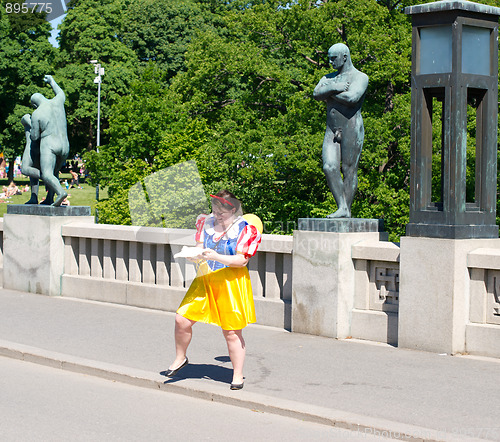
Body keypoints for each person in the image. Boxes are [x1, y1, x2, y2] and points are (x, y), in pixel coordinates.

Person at [166, 190, 262, 390]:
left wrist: (215, 256)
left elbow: (242, 260)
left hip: (231, 283)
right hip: (206, 279)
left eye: (221, 212)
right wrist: (195, 255)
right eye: (215, 210)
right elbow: (200, 246)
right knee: (181, 319)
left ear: (232, 210)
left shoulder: (245, 230)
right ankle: (181, 357)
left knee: (231, 332)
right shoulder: (207, 224)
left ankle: (237, 374)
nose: (217, 215)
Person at [313, 43, 369, 218]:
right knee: (329, 167)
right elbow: (316, 93)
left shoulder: (360, 77)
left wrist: (326, 91)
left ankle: (346, 209)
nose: (330, 62)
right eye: (329, 58)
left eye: (333, 58)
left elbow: (352, 97)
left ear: (344, 57)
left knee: (349, 169)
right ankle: (342, 207)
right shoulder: (329, 78)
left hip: (351, 127)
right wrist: (333, 88)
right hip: (332, 129)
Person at [23, 74, 70, 206]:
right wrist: (51, 81)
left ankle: (61, 192)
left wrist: (29, 123)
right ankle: (50, 198)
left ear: (34, 104)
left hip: (50, 144)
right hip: (65, 145)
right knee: (55, 172)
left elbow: (35, 137)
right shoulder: (58, 101)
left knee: (47, 173)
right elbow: (61, 92)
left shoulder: (37, 113)